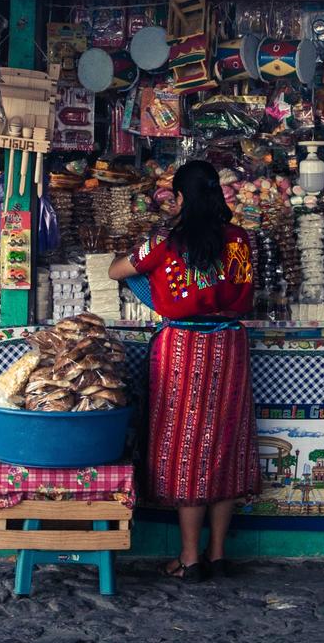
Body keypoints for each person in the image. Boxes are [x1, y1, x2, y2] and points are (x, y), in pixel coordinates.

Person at [109, 160, 259, 583]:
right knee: (226, 443)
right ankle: (217, 553)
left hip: (184, 349)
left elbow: (116, 271)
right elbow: (245, 292)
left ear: (181, 197)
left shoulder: (165, 240)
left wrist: (153, 280)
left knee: (187, 447)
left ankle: (190, 558)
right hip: (229, 345)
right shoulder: (239, 240)